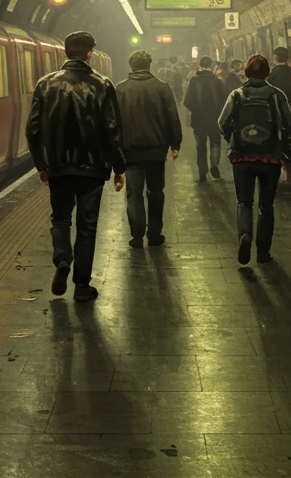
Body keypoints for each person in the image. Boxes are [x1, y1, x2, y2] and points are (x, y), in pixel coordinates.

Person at [26, 30, 126, 302]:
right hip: (92, 170)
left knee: (60, 218)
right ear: (90, 54)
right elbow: (112, 129)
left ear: (65, 52)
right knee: (87, 226)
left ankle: (62, 259)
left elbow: (32, 129)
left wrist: (41, 164)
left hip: (58, 166)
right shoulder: (103, 85)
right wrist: (119, 167)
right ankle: (82, 285)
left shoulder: (46, 85)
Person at [219, 55, 291, 265]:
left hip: (242, 157)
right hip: (270, 157)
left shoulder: (237, 94)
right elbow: (289, 125)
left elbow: (222, 122)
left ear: (246, 72)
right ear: (267, 73)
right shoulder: (276, 95)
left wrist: (234, 140)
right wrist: (283, 146)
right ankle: (263, 252)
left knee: (244, 202)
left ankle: (245, 233)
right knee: (266, 206)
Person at [115, 50, 181, 248]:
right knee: (155, 192)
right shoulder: (162, 88)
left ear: (130, 66)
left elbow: (114, 122)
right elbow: (172, 117)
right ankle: (154, 234)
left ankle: (136, 236)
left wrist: (115, 150)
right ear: (149, 65)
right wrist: (175, 144)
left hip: (131, 151)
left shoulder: (121, 89)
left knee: (134, 194)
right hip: (156, 151)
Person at [185, 55, 227, 182]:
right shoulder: (218, 81)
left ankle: (202, 172)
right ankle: (214, 164)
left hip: (198, 120)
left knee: (200, 146)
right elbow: (224, 100)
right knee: (215, 143)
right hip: (215, 119)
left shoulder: (193, 81)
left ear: (200, 65)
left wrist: (196, 110)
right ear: (211, 65)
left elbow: (187, 101)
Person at [269, 46, 291, 187]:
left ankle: (281, 174)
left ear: (275, 58)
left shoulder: (272, 75)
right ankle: (290, 175)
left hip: (276, 114)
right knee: (290, 143)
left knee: (277, 143)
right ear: (287, 58)